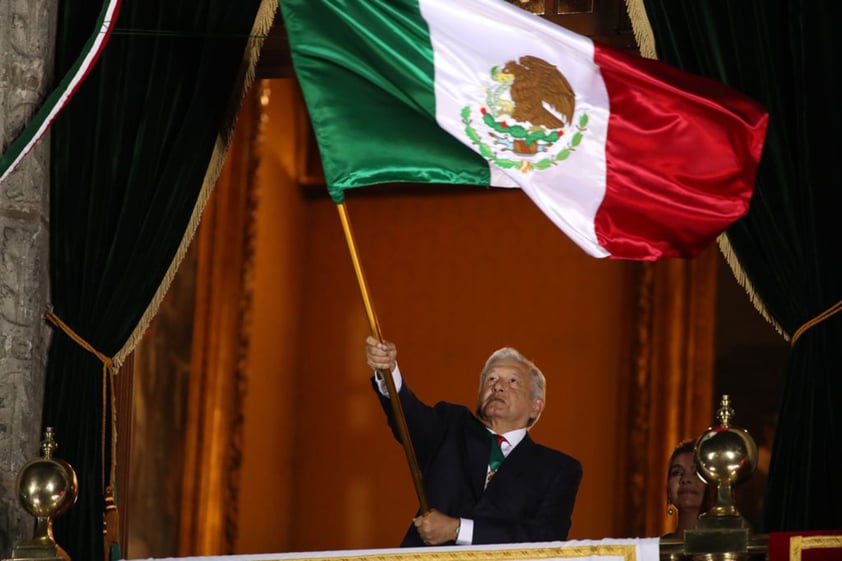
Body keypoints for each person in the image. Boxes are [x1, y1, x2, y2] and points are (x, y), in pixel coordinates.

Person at [365, 336, 582, 547]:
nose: (498, 386)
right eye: (491, 379)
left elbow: (546, 539)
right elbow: (409, 417)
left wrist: (457, 529)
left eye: (513, 381)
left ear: (536, 406)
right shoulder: (450, 426)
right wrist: (388, 372)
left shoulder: (558, 469)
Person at [664, 439, 712, 538]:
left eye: (696, 473)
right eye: (677, 473)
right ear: (668, 490)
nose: (685, 479)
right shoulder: (655, 549)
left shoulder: (727, 549)